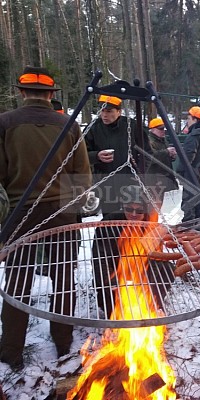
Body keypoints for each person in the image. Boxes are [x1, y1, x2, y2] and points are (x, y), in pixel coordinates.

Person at [0, 66, 91, 369]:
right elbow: (82, 177)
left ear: (21, 92)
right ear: (51, 94)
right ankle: (63, 342)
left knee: (17, 281)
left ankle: (11, 351)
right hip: (64, 212)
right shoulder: (69, 126)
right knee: (63, 277)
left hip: (20, 212)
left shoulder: (5, 124)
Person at [92, 185, 175, 317]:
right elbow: (100, 260)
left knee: (167, 269)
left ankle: (152, 304)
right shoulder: (109, 223)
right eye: (129, 209)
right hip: (116, 273)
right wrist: (113, 284)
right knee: (116, 313)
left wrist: (143, 286)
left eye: (140, 211)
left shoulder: (151, 225)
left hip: (142, 274)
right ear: (123, 206)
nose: (134, 214)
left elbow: (156, 260)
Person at [84, 95, 153, 217]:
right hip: (106, 183)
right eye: (102, 111)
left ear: (119, 112)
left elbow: (147, 153)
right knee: (110, 219)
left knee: (132, 217)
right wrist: (96, 156)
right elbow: (81, 154)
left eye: (109, 111)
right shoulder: (93, 128)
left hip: (131, 182)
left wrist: (141, 174)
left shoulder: (132, 126)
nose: (104, 115)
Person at [176, 106, 200, 230]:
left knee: (188, 208)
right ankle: (198, 234)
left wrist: (179, 174)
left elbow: (186, 160)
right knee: (199, 209)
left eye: (188, 118)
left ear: (195, 119)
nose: (187, 122)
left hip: (193, 178)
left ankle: (188, 236)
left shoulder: (194, 136)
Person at [146, 117, 178, 208]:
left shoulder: (163, 140)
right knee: (153, 205)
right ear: (152, 129)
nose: (163, 131)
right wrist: (167, 152)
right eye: (160, 129)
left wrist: (172, 156)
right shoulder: (149, 141)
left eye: (163, 128)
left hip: (163, 178)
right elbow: (150, 158)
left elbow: (164, 157)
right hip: (154, 179)